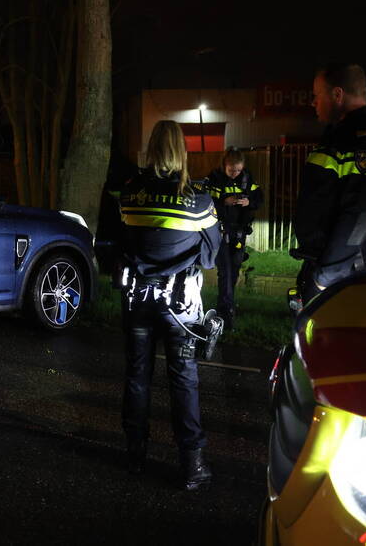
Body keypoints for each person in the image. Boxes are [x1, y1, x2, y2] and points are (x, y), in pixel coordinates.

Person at [118, 120, 221, 490]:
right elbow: (210, 257)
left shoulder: (130, 193)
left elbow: (123, 243)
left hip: (137, 301)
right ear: (182, 150)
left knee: (137, 377)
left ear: (152, 147)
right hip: (181, 308)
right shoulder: (199, 199)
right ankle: (192, 464)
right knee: (184, 382)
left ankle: (135, 454)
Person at [293, 63, 366, 303]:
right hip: (338, 267)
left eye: (317, 96)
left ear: (337, 94)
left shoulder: (364, 142)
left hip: (345, 274)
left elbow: (362, 214)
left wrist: (325, 278)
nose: (313, 103)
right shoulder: (350, 135)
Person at [205, 148, 263, 329]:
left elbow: (259, 198)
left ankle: (227, 304)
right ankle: (225, 311)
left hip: (239, 233)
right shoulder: (214, 179)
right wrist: (224, 202)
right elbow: (205, 203)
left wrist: (249, 203)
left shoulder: (247, 179)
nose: (235, 173)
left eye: (238, 170)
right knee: (225, 270)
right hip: (221, 232)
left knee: (234, 270)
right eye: (232, 170)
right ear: (224, 165)